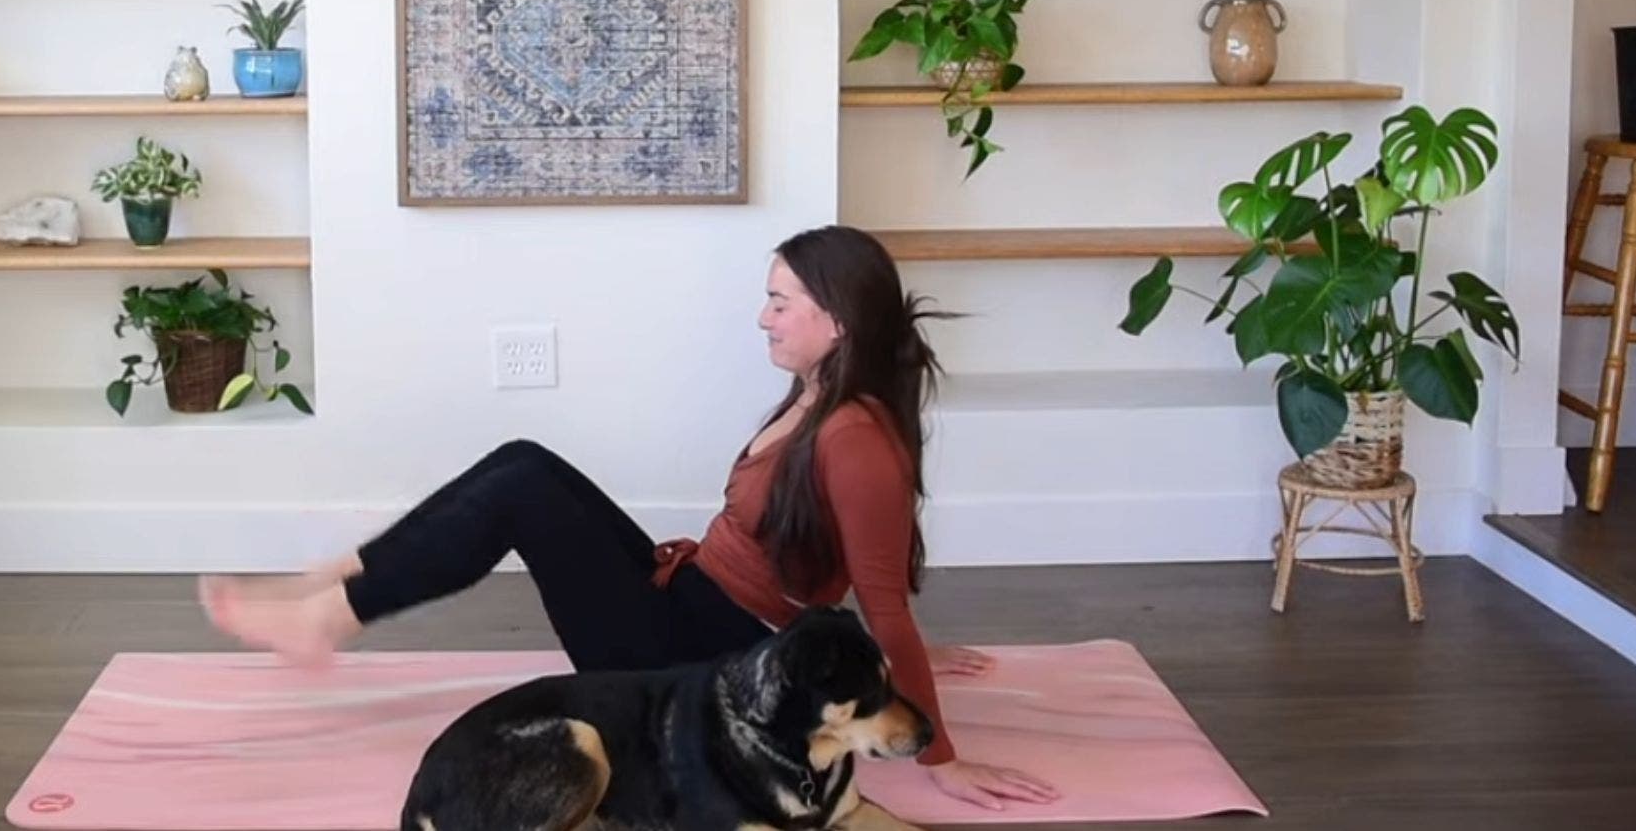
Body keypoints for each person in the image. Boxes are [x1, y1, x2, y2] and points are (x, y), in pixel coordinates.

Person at [201, 224, 1060, 811]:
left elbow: (881, 598)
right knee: (525, 463)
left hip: (698, 661)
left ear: (836, 321)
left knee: (520, 492)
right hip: (692, 595)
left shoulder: (854, 437)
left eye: (780, 301)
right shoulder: (816, 395)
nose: (762, 315)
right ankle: (341, 581)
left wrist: (939, 757)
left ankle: (329, 610)